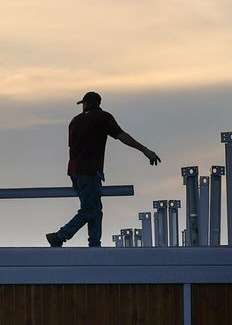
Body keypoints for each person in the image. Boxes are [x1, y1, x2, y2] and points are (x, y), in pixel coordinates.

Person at [47, 91, 160, 247]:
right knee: (90, 209)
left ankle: (94, 243)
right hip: (90, 171)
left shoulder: (75, 121)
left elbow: (72, 147)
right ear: (98, 103)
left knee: (95, 208)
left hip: (74, 171)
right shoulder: (103, 118)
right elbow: (122, 136)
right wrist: (144, 150)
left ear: (86, 104)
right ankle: (60, 236)